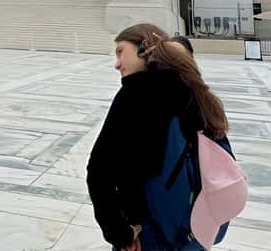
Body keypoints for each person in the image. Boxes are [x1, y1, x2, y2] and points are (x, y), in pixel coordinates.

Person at [87, 23, 230, 250]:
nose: (116, 64)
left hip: (146, 234)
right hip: (194, 229)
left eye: (120, 52)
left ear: (144, 48)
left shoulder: (133, 94)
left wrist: (119, 233)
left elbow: (98, 174)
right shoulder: (197, 93)